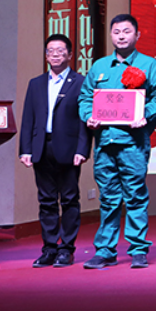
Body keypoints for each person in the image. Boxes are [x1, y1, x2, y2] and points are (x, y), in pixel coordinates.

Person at [77, 14, 156, 270]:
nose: (121, 36)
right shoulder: (99, 67)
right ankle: (105, 250)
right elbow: (85, 98)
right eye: (116, 31)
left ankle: (138, 249)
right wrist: (88, 116)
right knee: (108, 198)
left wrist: (144, 114)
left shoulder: (149, 65)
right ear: (111, 35)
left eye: (126, 31)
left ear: (137, 35)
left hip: (133, 143)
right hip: (105, 142)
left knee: (135, 196)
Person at [18, 34, 90, 268]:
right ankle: (49, 248)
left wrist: (82, 149)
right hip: (41, 148)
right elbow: (28, 118)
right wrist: (25, 150)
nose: (56, 54)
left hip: (69, 150)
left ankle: (66, 249)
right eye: (51, 51)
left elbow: (83, 120)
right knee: (46, 201)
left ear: (70, 54)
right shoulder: (36, 83)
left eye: (60, 50)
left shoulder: (80, 82)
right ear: (46, 56)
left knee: (69, 200)